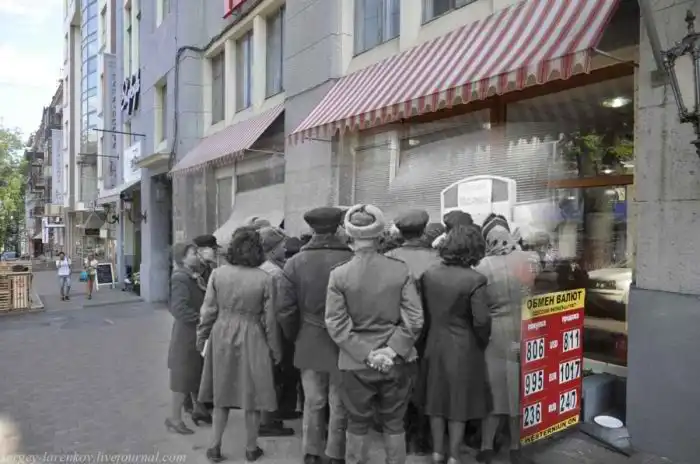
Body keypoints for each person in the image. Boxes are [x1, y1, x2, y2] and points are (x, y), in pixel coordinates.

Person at [325, 204, 424, 464]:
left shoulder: (339, 274)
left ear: (350, 234)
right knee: (394, 423)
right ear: (379, 233)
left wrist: (368, 355)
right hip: (398, 360)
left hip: (355, 362)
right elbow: (415, 318)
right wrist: (391, 350)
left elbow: (335, 323)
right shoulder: (400, 269)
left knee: (357, 423)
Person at [197, 227, 282, 463]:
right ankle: (251, 449)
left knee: (221, 394)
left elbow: (208, 311)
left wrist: (202, 338)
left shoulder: (218, 274)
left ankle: (214, 447)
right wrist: (275, 350)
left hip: (221, 332)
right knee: (252, 396)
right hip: (252, 334)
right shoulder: (265, 279)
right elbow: (270, 320)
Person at [279, 207, 353, 464]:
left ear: (311, 229)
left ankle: (312, 452)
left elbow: (286, 309)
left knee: (313, 400)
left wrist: (294, 336)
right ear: (338, 227)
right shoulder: (352, 259)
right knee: (339, 401)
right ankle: (336, 453)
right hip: (346, 339)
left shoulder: (295, 262)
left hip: (309, 337)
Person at [421, 225, 491, 464]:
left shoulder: (429, 274)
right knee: (458, 403)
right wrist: (482, 342)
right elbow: (481, 321)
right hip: (464, 346)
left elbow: (423, 314)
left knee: (435, 399)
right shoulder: (476, 279)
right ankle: (454, 455)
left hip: (434, 342)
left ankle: (437, 452)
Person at [475, 214, 538, 464]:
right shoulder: (528, 260)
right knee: (520, 388)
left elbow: (478, 308)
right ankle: (515, 446)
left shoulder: (481, 267)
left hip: (496, 333)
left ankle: (486, 446)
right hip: (526, 329)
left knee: (495, 388)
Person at [385, 210, 443, 455]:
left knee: (399, 383)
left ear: (400, 232)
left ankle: (401, 434)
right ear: (424, 230)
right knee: (427, 382)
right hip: (431, 329)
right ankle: (422, 436)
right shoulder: (438, 259)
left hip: (397, 329)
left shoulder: (389, 259)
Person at [166, 242, 212, 435]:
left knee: (193, 374)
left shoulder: (192, 275)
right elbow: (178, 309)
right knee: (182, 378)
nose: (197, 255)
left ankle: (198, 410)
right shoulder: (180, 278)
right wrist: (201, 319)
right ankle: (174, 419)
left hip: (193, 334)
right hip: (186, 335)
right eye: (193, 253)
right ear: (183, 258)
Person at [258, 226, 296, 437]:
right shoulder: (275, 273)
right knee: (274, 375)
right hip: (275, 328)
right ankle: (268, 421)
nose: (285, 249)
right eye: (282, 246)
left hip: (260, 328)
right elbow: (282, 308)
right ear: (272, 250)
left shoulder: (262, 268)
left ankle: (272, 415)